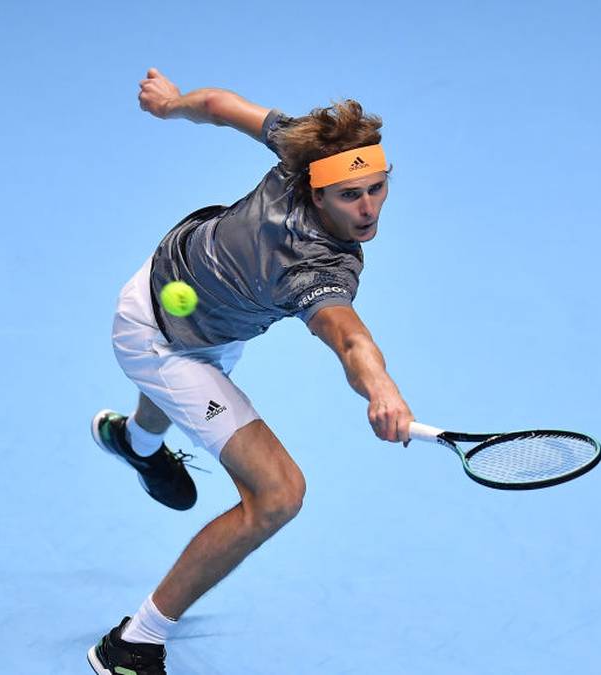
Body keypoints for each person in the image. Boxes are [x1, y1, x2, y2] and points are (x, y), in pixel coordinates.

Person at [87, 68, 414, 675]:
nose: (368, 209)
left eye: (378, 187)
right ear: (317, 192)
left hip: (196, 304)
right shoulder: (321, 267)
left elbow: (215, 104)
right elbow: (348, 335)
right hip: (159, 338)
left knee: (177, 397)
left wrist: (169, 105)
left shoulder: (300, 150)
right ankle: (132, 644)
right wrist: (383, 388)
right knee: (278, 494)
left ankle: (134, 443)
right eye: (350, 195)